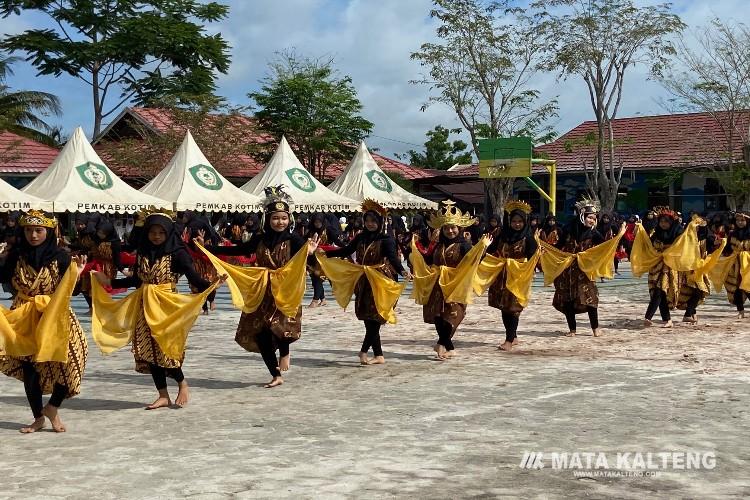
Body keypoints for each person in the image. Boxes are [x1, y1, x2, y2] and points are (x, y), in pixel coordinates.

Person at [93, 210, 220, 408]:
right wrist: (109, 281)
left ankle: (182, 383)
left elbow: (193, 277)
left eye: (161, 232)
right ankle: (162, 395)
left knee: (165, 348)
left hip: (166, 305)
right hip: (144, 305)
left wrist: (211, 285)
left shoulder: (178, 253)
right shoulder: (143, 252)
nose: (157, 236)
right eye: (153, 232)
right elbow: (136, 280)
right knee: (147, 349)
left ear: (169, 232)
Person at [199, 187, 318, 388]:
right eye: (275, 218)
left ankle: (285, 351)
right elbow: (240, 250)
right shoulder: (260, 239)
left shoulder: (294, 240)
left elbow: (310, 263)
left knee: (281, 329)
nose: (280, 222)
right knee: (261, 334)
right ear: (267, 219)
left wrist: (311, 252)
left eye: (283, 218)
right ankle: (275, 374)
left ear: (289, 219)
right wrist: (206, 247)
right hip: (262, 290)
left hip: (286, 290)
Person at [0, 210, 87, 433]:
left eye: (39, 230)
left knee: (74, 357)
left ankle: (53, 407)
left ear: (49, 231)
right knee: (30, 368)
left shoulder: (61, 256)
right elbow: (3, 278)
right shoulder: (15, 255)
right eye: (29, 230)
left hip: (55, 313)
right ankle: (38, 417)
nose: (34, 235)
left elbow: (73, 291)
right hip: (24, 314)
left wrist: (76, 274)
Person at [323, 200, 411, 365]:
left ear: (380, 222)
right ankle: (379, 355)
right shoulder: (361, 237)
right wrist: (327, 254)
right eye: (367, 221)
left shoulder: (387, 240)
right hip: (364, 279)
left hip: (380, 279)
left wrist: (403, 271)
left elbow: (393, 258)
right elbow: (347, 250)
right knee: (367, 318)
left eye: (373, 221)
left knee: (376, 317)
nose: (370, 224)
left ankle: (363, 351)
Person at [420, 201, 480, 359]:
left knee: (453, 315)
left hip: (456, 285)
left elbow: (474, 260)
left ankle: (442, 343)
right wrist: (425, 244)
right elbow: (428, 259)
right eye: (446, 228)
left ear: (459, 229)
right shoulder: (439, 245)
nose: (450, 231)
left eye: (453, 228)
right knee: (438, 316)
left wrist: (483, 247)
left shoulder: (464, 245)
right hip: (437, 285)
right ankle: (448, 347)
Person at [549, 199, 607, 337]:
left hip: (585, 271)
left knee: (590, 299)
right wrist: (545, 248)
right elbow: (559, 247)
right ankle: (572, 330)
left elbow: (605, 247)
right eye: (589, 217)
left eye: (594, 218)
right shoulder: (568, 230)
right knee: (568, 299)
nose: (592, 220)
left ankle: (595, 328)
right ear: (582, 216)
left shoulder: (594, 234)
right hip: (567, 270)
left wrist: (619, 236)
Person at [486, 200, 538, 351]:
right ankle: (513, 336)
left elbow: (533, 258)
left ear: (525, 222)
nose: (517, 224)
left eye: (520, 221)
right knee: (504, 307)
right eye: (514, 221)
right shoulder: (502, 235)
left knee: (514, 308)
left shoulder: (528, 238)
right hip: (502, 276)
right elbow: (491, 250)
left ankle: (509, 340)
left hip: (518, 276)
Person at [642, 207, 683, 328]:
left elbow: (684, 247)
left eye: (666, 222)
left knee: (660, 290)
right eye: (661, 221)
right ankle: (667, 320)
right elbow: (649, 246)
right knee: (659, 292)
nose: (663, 224)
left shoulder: (678, 233)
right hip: (656, 265)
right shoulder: (656, 233)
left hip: (669, 266)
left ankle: (648, 316)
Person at [305, 212, 340, 308]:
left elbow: (337, 241)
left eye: (319, 222)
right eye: (315, 222)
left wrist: (346, 249)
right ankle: (323, 299)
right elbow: (303, 241)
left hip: (324, 259)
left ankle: (315, 300)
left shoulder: (328, 230)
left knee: (318, 278)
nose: (317, 224)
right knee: (314, 279)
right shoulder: (311, 231)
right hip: (312, 258)